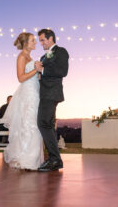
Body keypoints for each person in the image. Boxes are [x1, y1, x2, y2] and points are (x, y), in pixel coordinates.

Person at [2, 33, 44, 170]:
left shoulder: (29, 57)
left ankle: (33, 159)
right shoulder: (21, 57)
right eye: (33, 41)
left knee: (34, 124)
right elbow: (20, 78)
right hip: (28, 94)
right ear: (26, 43)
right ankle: (26, 160)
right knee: (29, 124)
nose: (35, 43)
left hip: (35, 91)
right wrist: (35, 70)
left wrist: (39, 74)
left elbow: (32, 76)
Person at [35, 29, 69, 172]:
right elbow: (41, 75)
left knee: (43, 123)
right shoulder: (43, 57)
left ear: (50, 39)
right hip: (44, 94)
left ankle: (55, 159)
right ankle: (54, 159)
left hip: (51, 93)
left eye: (42, 40)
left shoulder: (61, 51)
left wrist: (42, 71)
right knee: (47, 124)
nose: (41, 43)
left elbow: (63, 71)